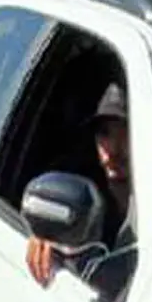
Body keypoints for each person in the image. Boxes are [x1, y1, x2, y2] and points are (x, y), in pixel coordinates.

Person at [26, 83, 136, 288]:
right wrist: (46, 234)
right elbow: (51, 210)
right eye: (104, 133)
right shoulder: (81, 194)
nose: (113, 149)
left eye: (126, 131)